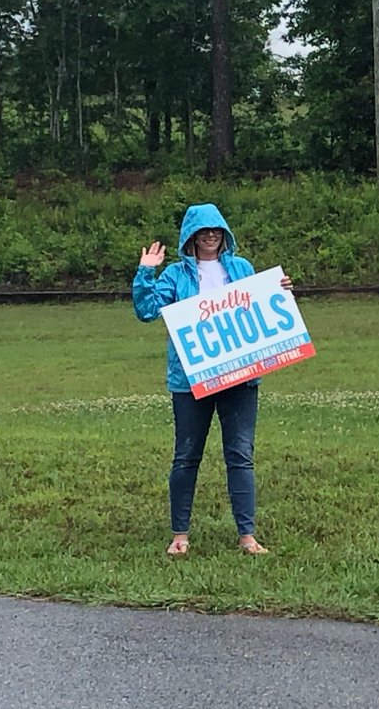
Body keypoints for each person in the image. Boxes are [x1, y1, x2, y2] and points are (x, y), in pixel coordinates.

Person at [132, 202, 291, 558]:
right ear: (191, 236)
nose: (210, 236)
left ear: (224, 233)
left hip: (240, 378)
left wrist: (278, 290)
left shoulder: (241, 268)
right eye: (203, 231)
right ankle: (180, 535)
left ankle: (247, 536)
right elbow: (146, 311)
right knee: (186, 456)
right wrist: (146, 272)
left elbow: (260, 308)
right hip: (190, 381)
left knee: (240, 455)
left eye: (216, 230)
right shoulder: (175, 275)